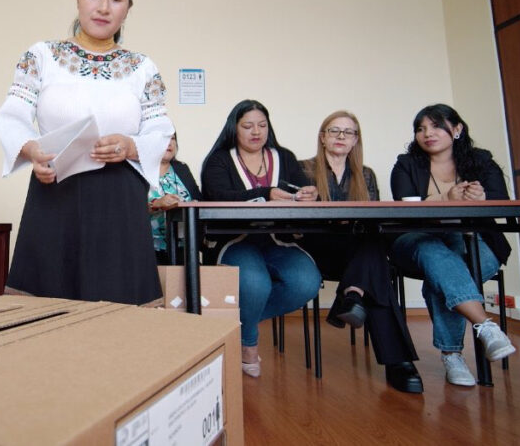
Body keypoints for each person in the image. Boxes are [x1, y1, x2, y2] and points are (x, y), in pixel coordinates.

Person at [0, 0, 174, 305]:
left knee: (120, 315)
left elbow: (159, 129)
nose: (103, 7)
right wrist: (31, 149)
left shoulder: (142, 68)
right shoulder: (42, 55)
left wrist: (130, 145)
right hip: (55, 190)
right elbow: (14, 113)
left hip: (119, 199)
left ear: (128, 7)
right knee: (47, 312)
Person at [389, 104, 516, 387]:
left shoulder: (480, 160)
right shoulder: (406, 163)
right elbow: (402, 207)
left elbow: (501, 197)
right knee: (434, 253)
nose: (427, 133)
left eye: (436, 126)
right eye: (421, 128)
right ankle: (485, 326)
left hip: (474, 240)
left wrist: (482, 199)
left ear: (457, 129)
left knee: (443, 274)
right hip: (418, 239)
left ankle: (452, 356)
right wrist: (445, 198)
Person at [299, 111, 422, 393]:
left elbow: (372, 218)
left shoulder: (365, 174)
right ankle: (399, 362)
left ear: (356, 140)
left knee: (373, 245)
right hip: (317, 249)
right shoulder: (302, 168)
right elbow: (294, 218)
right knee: (377, 265)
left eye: (348, 132)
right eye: (334, 131)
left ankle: (352, 296)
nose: (341, 137)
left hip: (356, 252)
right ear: (323, 137)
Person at [200, 99, 322, 378]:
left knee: (307, 281)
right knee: (255, 283)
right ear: (234, 129)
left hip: (278, 240)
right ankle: (249, 345)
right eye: (248, 126)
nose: (256, 131)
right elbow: (217, 197)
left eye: (262, 125)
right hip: (235, 240)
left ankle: (237, 328)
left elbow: (300, 190)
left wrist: (308, 194)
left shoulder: (285, 157)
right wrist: (264, 192)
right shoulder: (219, 160)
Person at [147, 133, 202, 265]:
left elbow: (198, 200)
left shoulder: (181, 168)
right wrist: (157, 204)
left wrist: (193, 204)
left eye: (172, 138)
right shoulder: (138, 170)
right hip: (147, 250)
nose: (170, 143)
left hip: (183, 248)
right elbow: (126, 209)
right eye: (164, 138)